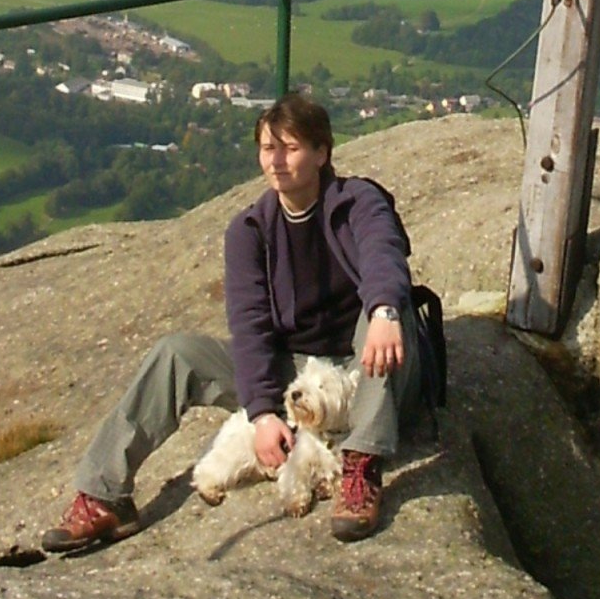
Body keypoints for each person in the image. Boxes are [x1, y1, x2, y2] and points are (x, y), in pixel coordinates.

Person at [42, 94, 420, 552]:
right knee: (176, 353)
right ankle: (105, 495)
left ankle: (360, 466)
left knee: (379, 314)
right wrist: (262, 414)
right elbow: (251, 326)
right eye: (267, 148)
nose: (276, 161)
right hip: (298, 370)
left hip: (367, 363)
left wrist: (384, 310)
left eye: (291, 148)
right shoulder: (250, 231)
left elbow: (383, 254)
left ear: (322, 153)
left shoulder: (357, 201)